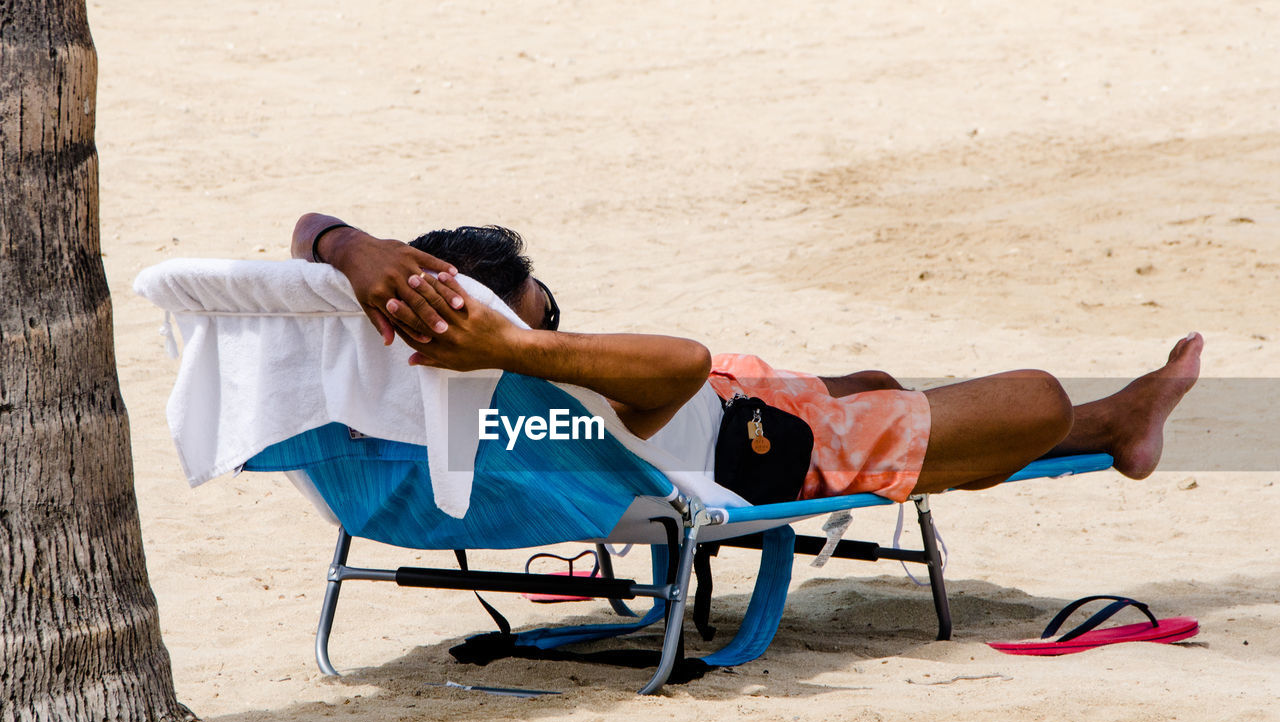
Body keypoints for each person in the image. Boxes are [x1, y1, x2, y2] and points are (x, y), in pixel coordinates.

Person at [291, 213, 1203, 502]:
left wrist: (342, 247)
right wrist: (530, 344)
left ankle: (900, 411)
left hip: (728, 411)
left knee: (875, 384)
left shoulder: (386, 362)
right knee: (1036, 401)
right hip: (745, 451)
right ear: (503, 324)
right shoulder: (555, 375)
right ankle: (1115, 423)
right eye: (549, 313)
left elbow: (299, 233)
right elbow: (682, 362)